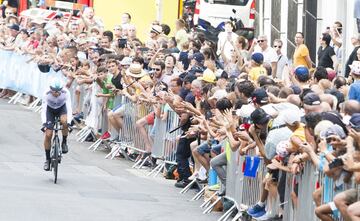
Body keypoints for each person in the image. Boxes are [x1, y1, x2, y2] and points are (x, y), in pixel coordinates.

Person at [41, 78, 72, 171]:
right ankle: (47, 159)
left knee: (64, 121)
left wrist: (69, 122)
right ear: (50, 89)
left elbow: (69, 108)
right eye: (54, 91)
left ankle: (64, 142)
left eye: (59, 91)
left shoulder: (66, 92)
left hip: (61, 109)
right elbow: (44, 110)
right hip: (50, 110)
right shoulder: (46, 94)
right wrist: (44, 124)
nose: (57, 93)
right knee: (48, 134)